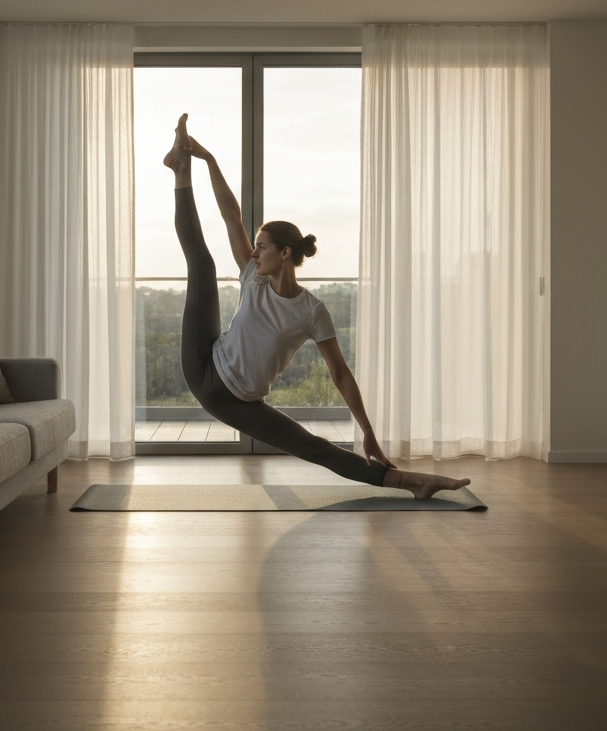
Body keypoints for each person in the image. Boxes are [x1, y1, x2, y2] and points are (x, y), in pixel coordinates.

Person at [163, 113, 470, 500]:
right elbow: (231, 216)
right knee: (203, 266)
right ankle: (179, 170)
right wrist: (208, 160)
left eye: (262, 246)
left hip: (240, 401)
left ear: (284, 253)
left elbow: (340, 374)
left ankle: (414, 482)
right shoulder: (253, 277)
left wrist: (368, 432)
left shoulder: (312, 311)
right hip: (204, 366)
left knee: (315, 447)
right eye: (255, 246)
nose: (254, 253)